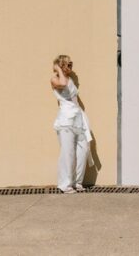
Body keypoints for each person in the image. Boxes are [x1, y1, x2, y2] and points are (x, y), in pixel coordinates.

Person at [51, 54, 92, 194]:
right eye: (68, 65)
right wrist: (57, 69)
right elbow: (62, 85)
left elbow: (75, 98)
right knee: (67, 152)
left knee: (83, 149)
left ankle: (77, 182)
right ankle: (65, 184)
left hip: (78, 119)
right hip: (66, 120)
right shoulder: (56, 79)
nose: (71, 67)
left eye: (71, 64)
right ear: (61, 66)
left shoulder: (70, 79)